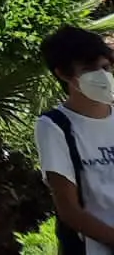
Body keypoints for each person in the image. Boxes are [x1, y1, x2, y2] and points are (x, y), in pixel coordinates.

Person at [38, 27, 114, 255]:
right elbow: (69, 210)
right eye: (88, 69)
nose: (101, 76)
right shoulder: (55, 126)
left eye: (105, 67)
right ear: (63, 74)